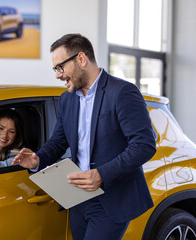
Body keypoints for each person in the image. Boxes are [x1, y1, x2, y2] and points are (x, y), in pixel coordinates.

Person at [12, 33, 156, 240]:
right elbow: (59, 140)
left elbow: (144, 145)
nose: (57, 75)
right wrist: (38, 159)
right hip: (77, 196)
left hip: (111, 198)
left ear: (81, 59)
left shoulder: (123, 92)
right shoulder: (67, 99)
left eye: (60, 68)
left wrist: (101, 174)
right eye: (55, 69)